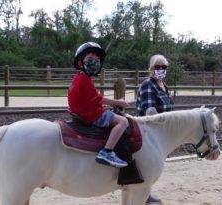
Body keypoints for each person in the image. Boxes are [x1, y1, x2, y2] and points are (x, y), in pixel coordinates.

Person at [68, 42, 129, 168]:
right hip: (91, 115)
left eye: (97, 60)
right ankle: (107, 152)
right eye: (90, 59)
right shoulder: (84, 80)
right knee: (123, 122)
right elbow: (99, 99)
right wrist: (118, 102)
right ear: (80, 62)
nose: (94, 63)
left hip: (83, 112)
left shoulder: (78, 78)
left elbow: (92, 100)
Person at [136, 54, 174, 204]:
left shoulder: (164, 86)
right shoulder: (147, 85)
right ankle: (143, 196)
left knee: (151, 166)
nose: (161, 70)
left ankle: (146, 194)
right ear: (150, 69)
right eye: (157, 67)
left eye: (164, 67)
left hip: (159, 131)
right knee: (147, 165)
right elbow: (150, 112)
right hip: (148, 131)